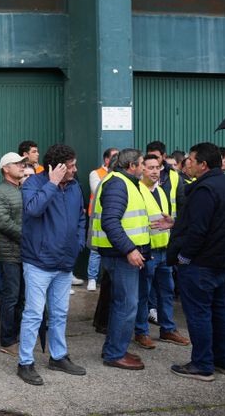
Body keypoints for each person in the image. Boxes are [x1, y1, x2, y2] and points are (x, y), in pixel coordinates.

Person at [168, 143, 225, 381]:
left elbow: (199, 230)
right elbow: (216, 221)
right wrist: (175, 222)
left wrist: (183, 257)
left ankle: (202, 365)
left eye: (190, 160)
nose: (186, 163)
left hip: (201, 264)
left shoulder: (205, 189)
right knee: (219, 309)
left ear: (202, 165)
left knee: (199, 313)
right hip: (221, 261)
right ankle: (224, 361)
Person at [16, 144, 86, 386]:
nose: (75, 170)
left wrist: (78, 243)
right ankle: (25, 362)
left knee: (60, 314)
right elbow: (33, 209)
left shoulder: (75, 187)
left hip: (64, 262)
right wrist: (52, 183)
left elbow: (80, 217)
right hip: (38, 262)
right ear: (57, 167)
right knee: (34, 314)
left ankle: (58, 356)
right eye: (71, 166)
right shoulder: (34, 183)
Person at [92, 149, 152, 370]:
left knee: (124, 304)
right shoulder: (118, 183)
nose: (144, 167)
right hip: (121, 256)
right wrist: (130, 249)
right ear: (131, 166)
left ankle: (115, 348)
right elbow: (110, 221)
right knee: (126, 305)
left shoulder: (125, 181)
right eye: (142, 163)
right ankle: (115, 354)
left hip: (122, 255)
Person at [132, 155, 190, 349]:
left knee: (166, 292)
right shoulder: (136, 191)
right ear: (142, 170)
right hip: (147, 251)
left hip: (165, 249)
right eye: (150, 168)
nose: (155, 171)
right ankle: (141, 332)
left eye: (158, 167)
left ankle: (167, 329)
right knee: (143, 293)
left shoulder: (163, 191)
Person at [0, 153, 26, 356]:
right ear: (5, 168)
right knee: (10, 297)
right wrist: (28, 237)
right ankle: (8, 340)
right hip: (9, 253)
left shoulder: (21, 189)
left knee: (21, 297)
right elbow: (2, 222)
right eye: (17, 164)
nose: (22, 166)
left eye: (23, 163)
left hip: (24, 253)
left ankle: (18, 335)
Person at [87, 147, 119, 291]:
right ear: (107, 159)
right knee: (95, 250)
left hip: (114, 217)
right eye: (114, 157)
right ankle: (92, 279)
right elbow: (97, 190)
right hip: (97, 216)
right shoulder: (96, 173)